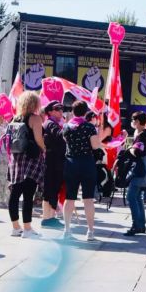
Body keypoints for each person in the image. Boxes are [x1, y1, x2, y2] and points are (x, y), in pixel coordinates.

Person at [7, 92, 47, 238]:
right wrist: (45, 149)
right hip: (31, 158)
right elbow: (38, 139)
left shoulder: (15, 118)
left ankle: (15, 227)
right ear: (34, 104)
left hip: (17, 158)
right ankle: (27, 229)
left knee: (15, 193)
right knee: (28, 194)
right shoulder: (35, 118)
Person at [62, 102, 103, 240]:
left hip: (71, 163)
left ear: (73, 111)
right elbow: (95, 145)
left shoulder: (66, 126)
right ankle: (90, 231)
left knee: (69, 198)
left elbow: (65, 141)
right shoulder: (89, 127)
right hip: (86, 162)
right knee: (88, 199)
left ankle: (67, 230)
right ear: (85, 112)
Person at [125, 111, 146, 236]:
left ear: (138, 122)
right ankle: (141, 225)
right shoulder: (141, 133)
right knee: (137, 197)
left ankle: (136, 225)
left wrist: (130, 149)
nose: (132, 122)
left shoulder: (142, 135)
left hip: (140, 168)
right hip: (142, 167)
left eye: (133, 120)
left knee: (131, 197)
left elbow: (137, 152)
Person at [41, 102, 66, 228]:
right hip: (51, 163)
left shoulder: (54, 123)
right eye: (57, 109)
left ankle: (49, 217)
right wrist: (70, 126)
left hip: (55, 162)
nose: (61, 112)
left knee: (53, 190)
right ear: (50, 111)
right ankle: (47, 218)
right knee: (50, 190)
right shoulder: (50, 124)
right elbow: (61, 136)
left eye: (62, 109)